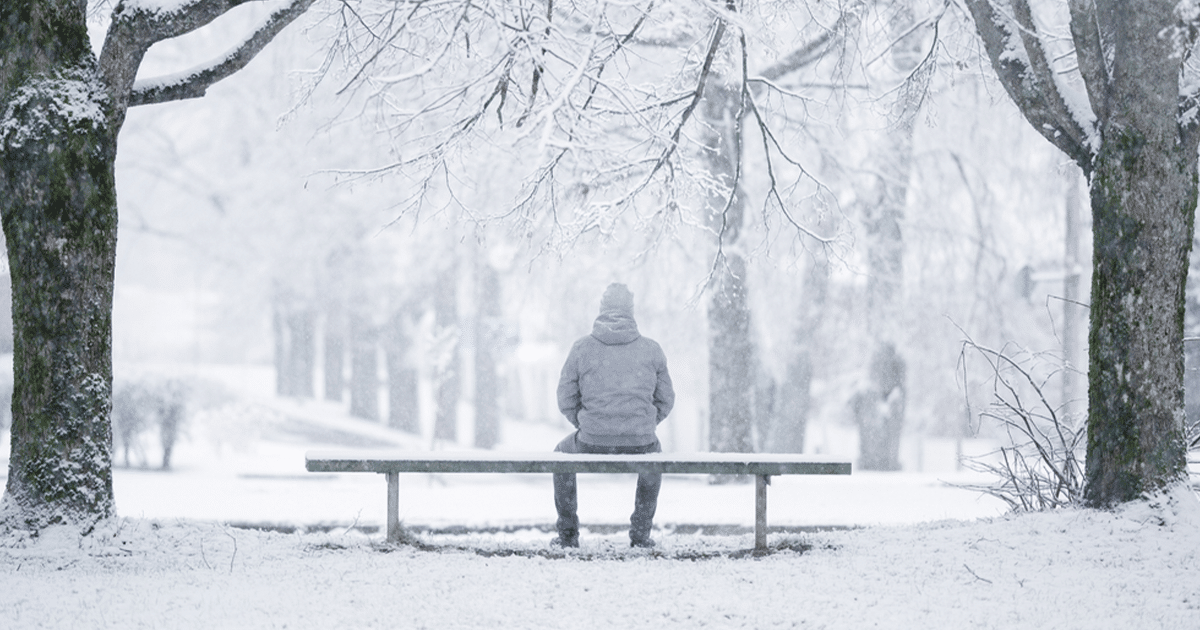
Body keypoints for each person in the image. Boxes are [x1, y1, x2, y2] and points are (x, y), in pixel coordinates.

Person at [552, 282, 675, 548]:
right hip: (641, 441)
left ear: (602, 309)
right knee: (654, 455)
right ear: (631, 311)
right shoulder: (651, 350)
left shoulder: (582, 348)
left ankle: (568, 535)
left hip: (591, 440)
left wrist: (587, 423)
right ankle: (641, 535)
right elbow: (666, 399)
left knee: (561, 455)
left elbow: (565, 398)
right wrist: (644, 423)